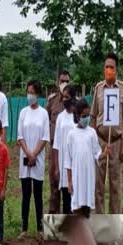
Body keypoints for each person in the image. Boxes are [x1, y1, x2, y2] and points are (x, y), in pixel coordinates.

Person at [89, 53, 123, 214]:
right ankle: (100, 225)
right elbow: (92, 116)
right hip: (100, 140)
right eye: (106, 67)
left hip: (117, 141)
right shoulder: (98, 89)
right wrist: (92, 143)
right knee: (98, 185)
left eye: (111, 67)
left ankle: (114, 226)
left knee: (115, 186)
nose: (109, 70)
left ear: (116, 69)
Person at [17, 80, 50, 241]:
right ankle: (24, 228)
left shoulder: (43, 113)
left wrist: (34, 154)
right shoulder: (23, 112)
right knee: (26, 194)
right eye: (28, 92)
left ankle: (39, 227)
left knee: (37, 194)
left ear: (37, 94)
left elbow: (45, 137)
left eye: (32, 92)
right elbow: (20, 136)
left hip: (37, 158)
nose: (29, 95)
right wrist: (28, 153)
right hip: (25, 157)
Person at [66, 99, 109, 214]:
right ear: (78, 116)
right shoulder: (71, 135)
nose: (87, 119)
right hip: (76, 178)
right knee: (77, 207)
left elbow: (97, 153)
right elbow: (68, 161)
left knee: (88, 208)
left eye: (88, 115)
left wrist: (104, 154)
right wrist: (69, 182)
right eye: (84, 116)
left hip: (89, 177)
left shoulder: (92, 133)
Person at [47, 70, 71, 213]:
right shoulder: (52, 101)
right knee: (54, 184)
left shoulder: (75, 103)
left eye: (67, 81)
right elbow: (46, 120)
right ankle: (54, 221)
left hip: (70, 150)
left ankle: (71, 220)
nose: (64, 84)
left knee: (69, 185)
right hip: (54, 149)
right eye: (62, 81)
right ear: (58, 83)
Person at [52, 84, 77, 214]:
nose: (65, 99)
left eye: (67, 97)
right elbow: (56, 144)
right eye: (63, 97)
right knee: (66, 202)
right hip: (63, 165)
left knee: (77, 202)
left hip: (76, 164)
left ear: (73, 98)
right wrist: (56, 167)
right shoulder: (61, 117)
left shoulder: (78, 116)